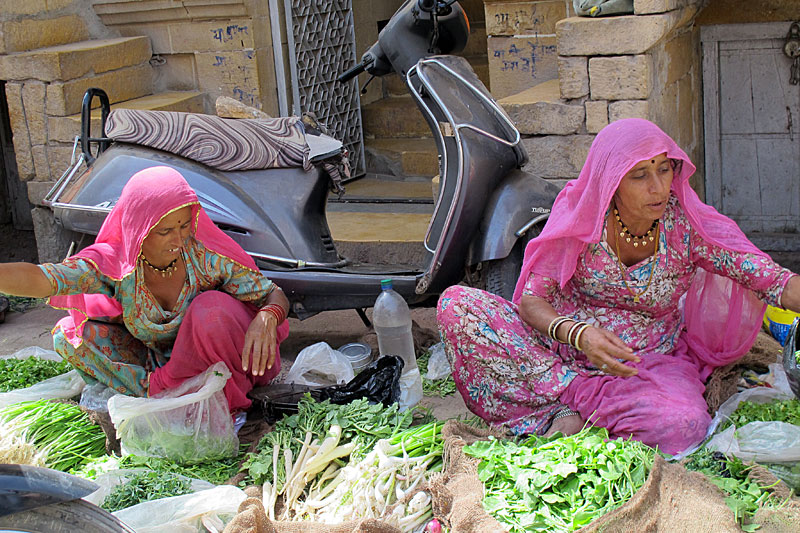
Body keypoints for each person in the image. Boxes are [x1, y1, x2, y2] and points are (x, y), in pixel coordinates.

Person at [436, 118, 800, 455]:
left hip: (642, 366)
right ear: (612, 181)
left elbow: (772, 281)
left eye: (664, 169)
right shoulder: (583, 218)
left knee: (685, 424)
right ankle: (564, 406)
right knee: (457, 306)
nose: (658, 187)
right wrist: (579, 334)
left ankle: (568, 413)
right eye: (640, 175)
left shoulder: (685, 227)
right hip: (557, 355)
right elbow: (532, 302)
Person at [0, 166, 289, 414]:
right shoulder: (117, 267)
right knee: (69, 336)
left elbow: (273, 294)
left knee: (210, 309)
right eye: (165, 231)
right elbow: (46, 278)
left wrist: (267, 317)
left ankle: (225, 404)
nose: (179, 239)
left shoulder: (203, 258)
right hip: (163, 366)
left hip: (226, 363)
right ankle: (158, 392)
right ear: (138, 229)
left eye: (184, 226)